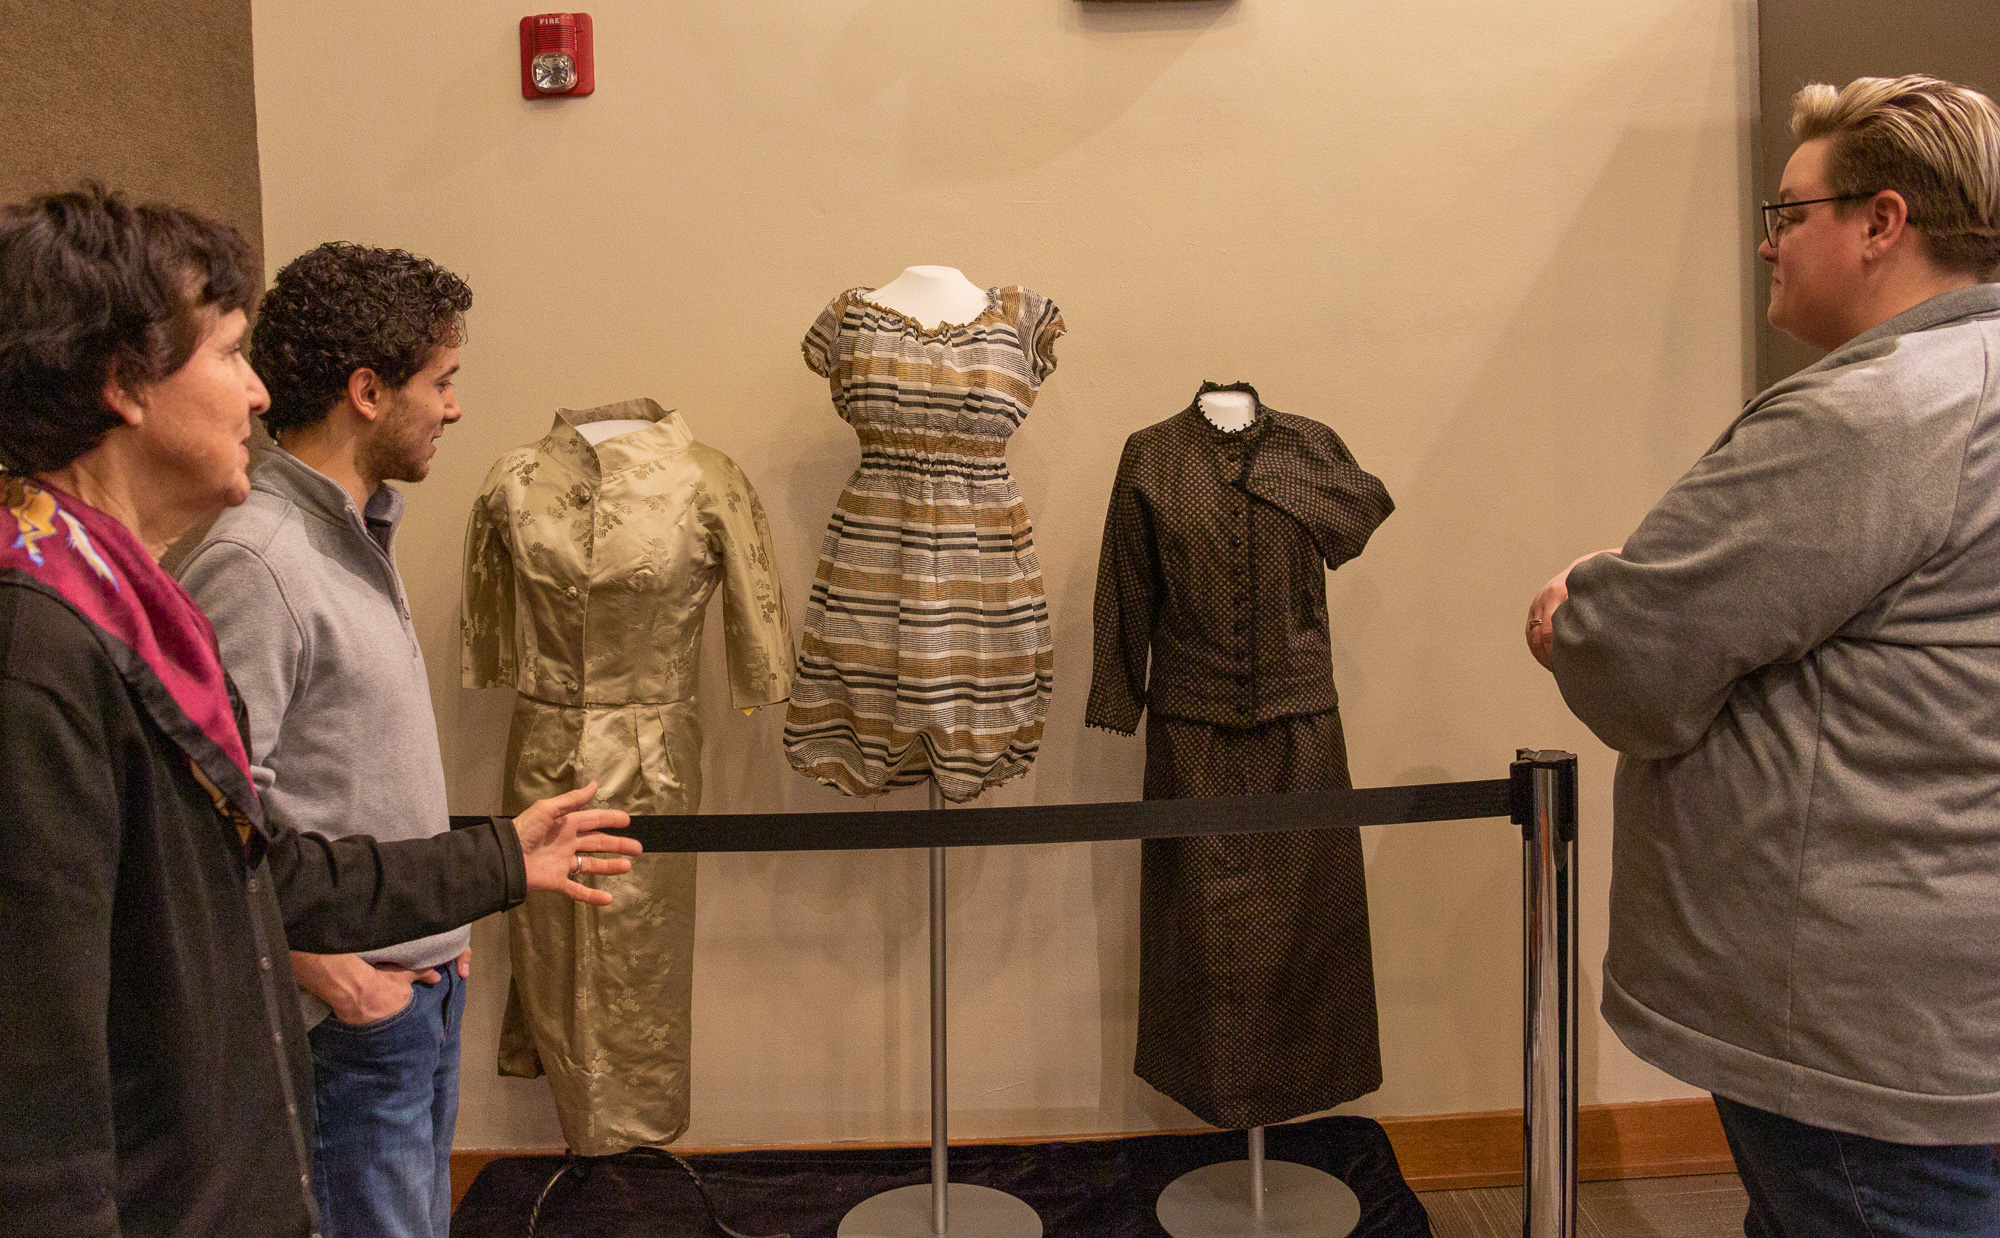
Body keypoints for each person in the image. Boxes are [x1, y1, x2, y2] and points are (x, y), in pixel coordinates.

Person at [0, 184, 640, 1238]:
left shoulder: (119, 601)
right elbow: (38, 1096)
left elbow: (253, 869)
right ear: (124, 384)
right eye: (229, 354)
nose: (258, 394)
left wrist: (487, 862)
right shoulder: (41, 643)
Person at [1526, 76, 2000, 1236]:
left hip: (1857, 1024)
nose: (1763, 243)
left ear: (1880, 222)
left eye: (1786, 214)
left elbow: (1628, 656)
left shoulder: (1873, 417)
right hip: (1942, 993)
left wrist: (1572, 603)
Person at [174, 242, 476, 1238]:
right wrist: (325, 969)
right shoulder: (257, 561)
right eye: (441, 381)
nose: (452, 407)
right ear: (366, 389)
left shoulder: (351, 530)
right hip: (354, 1022)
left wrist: (439, 941)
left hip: (412, 995)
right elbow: (206, 821)